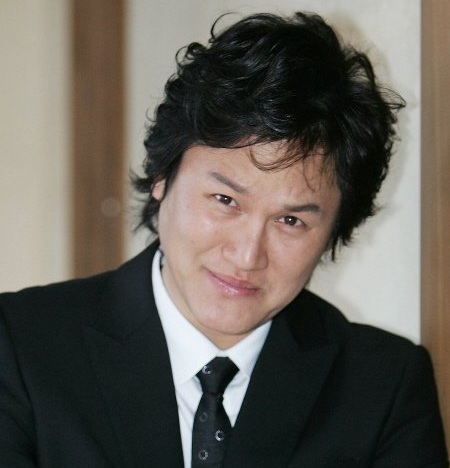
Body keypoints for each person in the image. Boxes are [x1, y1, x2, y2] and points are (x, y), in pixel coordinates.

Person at [0, 11, 447, 468]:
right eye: (225, 200)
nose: (247, 255)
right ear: (162, 175)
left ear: (334, 230)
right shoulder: (21, 347)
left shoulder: (383, 388)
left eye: (291, 221)